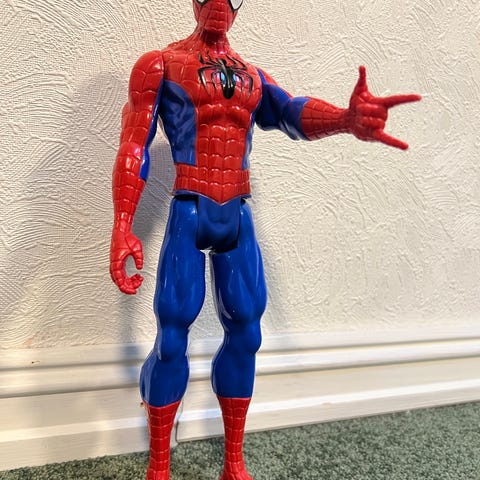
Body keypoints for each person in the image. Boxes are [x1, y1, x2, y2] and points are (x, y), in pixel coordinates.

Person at [109, 1, 420, 479]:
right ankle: (159, 467)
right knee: (171, 339)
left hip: (236, 210)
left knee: (247, 334)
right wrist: (122, 224)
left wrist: (345, 119)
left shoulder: (252, 77)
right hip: (189, 206)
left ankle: (234, 462)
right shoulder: (161, 64)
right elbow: (134, 144)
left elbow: (290, 112)